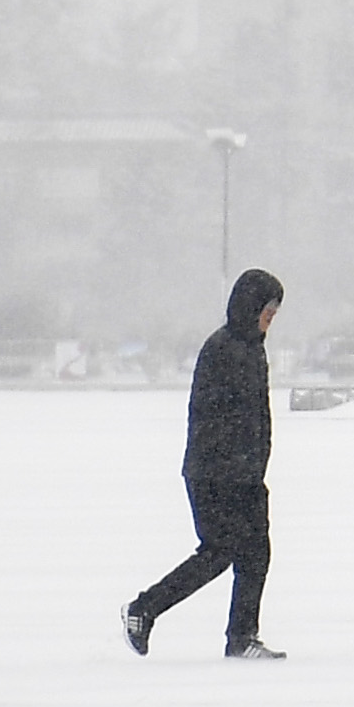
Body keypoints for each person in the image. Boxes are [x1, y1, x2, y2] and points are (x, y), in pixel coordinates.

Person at [126, 269, 287, 661]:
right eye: (267, 310)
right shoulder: (223, 349)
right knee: (219, 552)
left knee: (255, 553)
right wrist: (235, 468)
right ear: (250, 307)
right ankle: (143, 609)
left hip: (245, 473)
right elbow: (213, 417)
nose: (271, 318)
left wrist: (255, 465)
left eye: (275, 312)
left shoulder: (252, 347)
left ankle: (241, 637)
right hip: (216, 474)